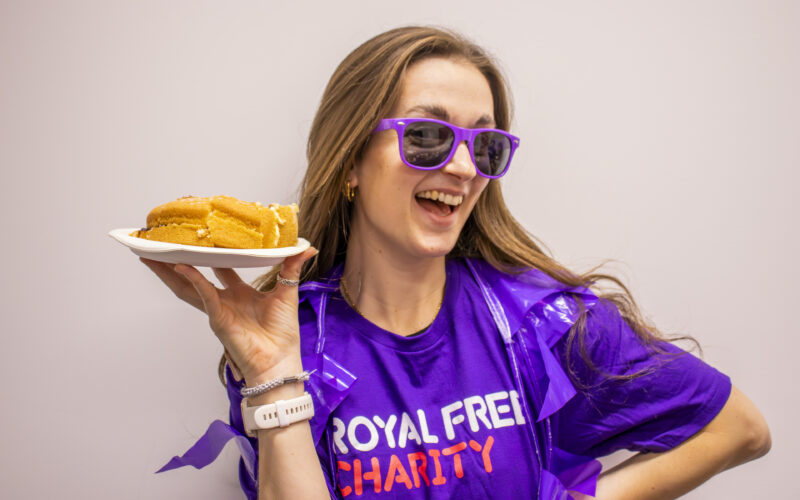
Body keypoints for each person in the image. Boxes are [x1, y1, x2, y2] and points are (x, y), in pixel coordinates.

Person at [142, 26, 770, 499]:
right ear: (352, 163)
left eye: (486, 144)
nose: (465, 170)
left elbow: (739, 427)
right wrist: (274, 371)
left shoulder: (542, 324)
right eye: (425, 136)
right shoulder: (294, 343)